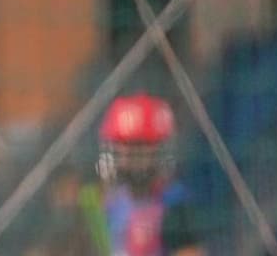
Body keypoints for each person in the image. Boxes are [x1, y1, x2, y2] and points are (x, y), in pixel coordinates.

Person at [78, 94, 206, 256]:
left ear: (159, 150)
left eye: (141, 147)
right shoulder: (101, 202)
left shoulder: (175, 204)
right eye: (125, 147)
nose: (132, 158)